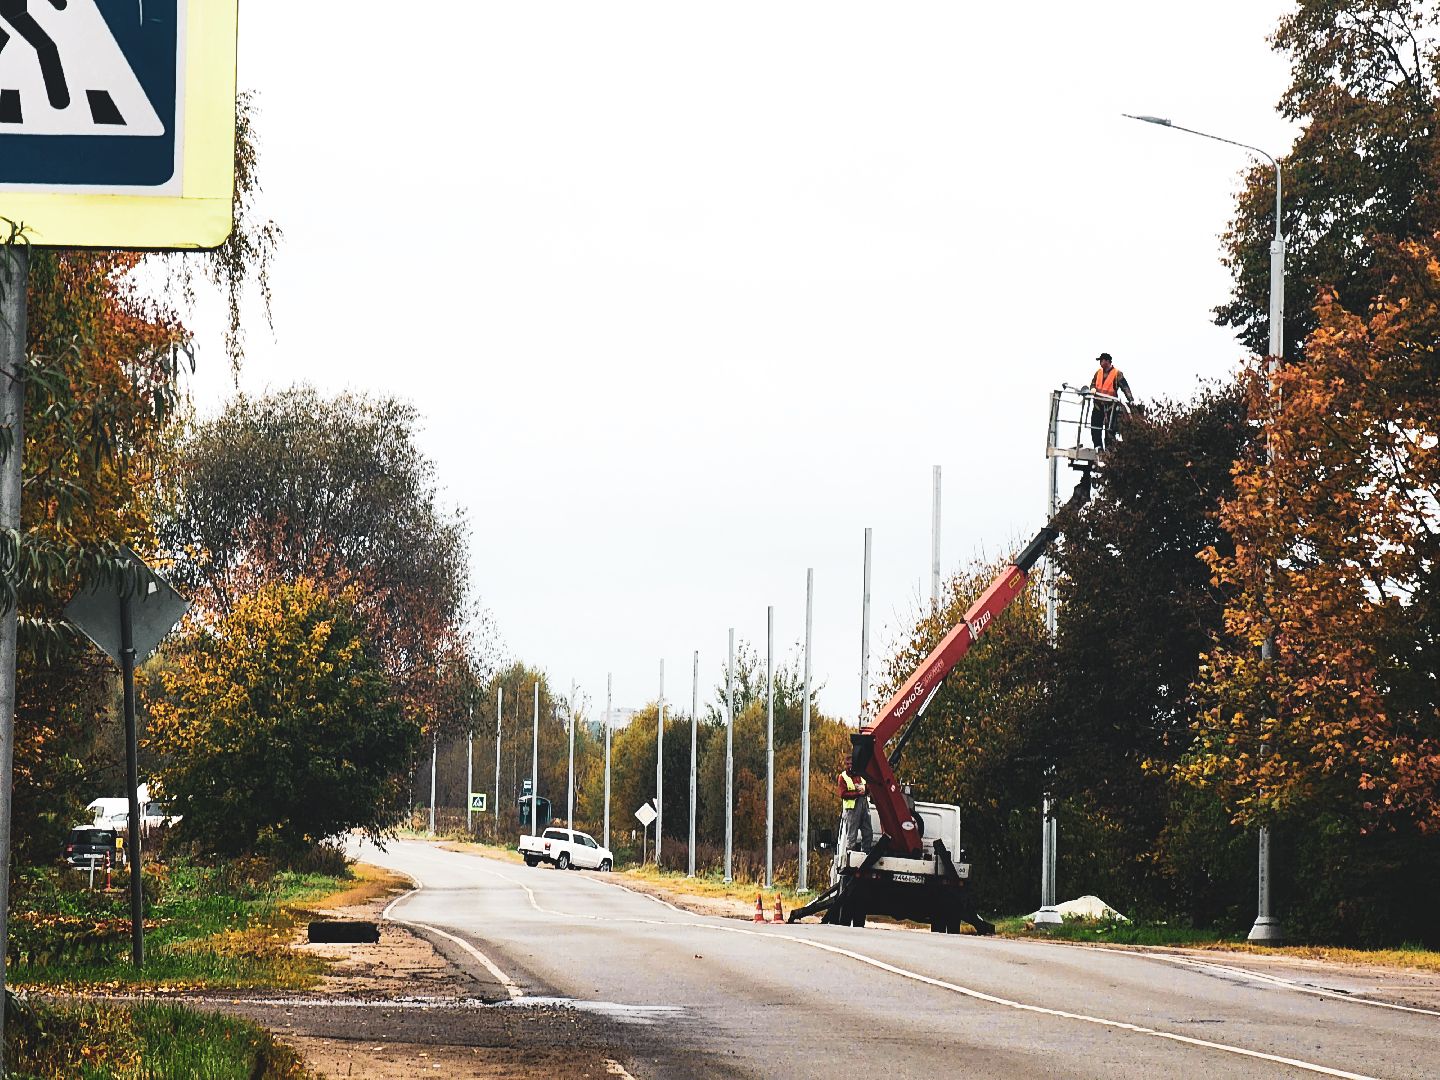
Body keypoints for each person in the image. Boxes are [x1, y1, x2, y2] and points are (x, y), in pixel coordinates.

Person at [1089, 352, 1136, 451]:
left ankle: (1109, 449)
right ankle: (1098, 447)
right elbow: (1093, 383)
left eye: (1101, 361)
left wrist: (1130, 399)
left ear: (1107, 361)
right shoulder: (1098, 372)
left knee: (1110, 429)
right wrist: (1092, 388)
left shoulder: (1117, 373)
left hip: (1111, 406)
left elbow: (1125, 387)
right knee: (1095, 427)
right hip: (1098, 405)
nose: (1100, 363)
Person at [837, 755, 873, 852]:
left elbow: (869, 786)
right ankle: (850, 855)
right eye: (847, 764)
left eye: (851, 764)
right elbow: (842, 794)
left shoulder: (861, 775)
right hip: (851, 810)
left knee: (868, 832)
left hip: (863, 806)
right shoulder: (842, 777)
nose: (850, 766)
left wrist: (865, 790)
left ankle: (865, 853)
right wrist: (857, 793)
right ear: (845, 765)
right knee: (851, 835)